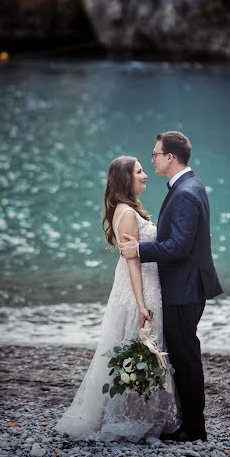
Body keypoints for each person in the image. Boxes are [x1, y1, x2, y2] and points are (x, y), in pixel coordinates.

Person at [55, 156, 179, 442]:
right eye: (139, 172)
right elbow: (131, 261)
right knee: (137, 349)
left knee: (145, 350)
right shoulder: (124, 212)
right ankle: (127, 418)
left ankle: (142, 415)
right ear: (125, 178)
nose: (145, 175)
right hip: (139, 289)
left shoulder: (131, 210)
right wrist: (140, 303)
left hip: (149, 285)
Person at [119, 131, 223, 443]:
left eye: (155, 154)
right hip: (185, 286)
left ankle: (194, 428)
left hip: (185, 288)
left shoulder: (186, 193)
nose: (151, 160)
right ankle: (190, 423)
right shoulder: (187, 188)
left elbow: (179, 247)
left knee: (185, 355)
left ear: (170, 158)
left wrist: (139, 249)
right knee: (183, 353)